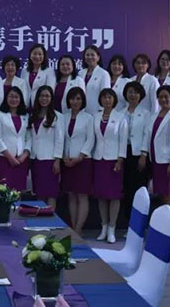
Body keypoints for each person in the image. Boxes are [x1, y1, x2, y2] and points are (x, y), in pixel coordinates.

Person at [92, 88, 128, 244]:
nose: (107, 100)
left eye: (109, 97)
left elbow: (123, 140)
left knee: (113, 196)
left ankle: (112, 228)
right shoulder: (95, 117)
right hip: (99, 159)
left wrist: (120, 159)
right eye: (104, 97)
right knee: (101, 196)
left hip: (114, 160)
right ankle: (104, 227)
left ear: (114, 100)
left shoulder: (120, 117)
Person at [140, 85, 170, 212]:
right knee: (162, 194)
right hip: (156, 161)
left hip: (169, 162)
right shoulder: (154, 115)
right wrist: (143, 154)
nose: (163, 100)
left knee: (169, 195)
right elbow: (147, 135)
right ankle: (163, 221)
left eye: (166, 97)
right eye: (160, 97)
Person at [60, 87, 94, 236]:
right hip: (67, 161)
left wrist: (80, 157)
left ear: (83, 101)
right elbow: (60, 138)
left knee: (82, 195)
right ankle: (73, 228)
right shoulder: (63, 117)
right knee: (71, 195)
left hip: (82, 161)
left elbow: (90, 139)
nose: (75, 101)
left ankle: (79, 229)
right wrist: (63, 156)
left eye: (78, 98)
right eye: (73, 98)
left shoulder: (88, 118)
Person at [27, 86, 63, 209]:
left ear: (51, 98)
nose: (44, 98)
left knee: (51, 193)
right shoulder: (33, 116)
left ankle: (51, 218)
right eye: (42, 96)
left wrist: (57, 160)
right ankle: (40, 218)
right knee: (39, 193)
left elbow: (59, 140)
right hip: (35, 159)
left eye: (47, 96)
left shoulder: (57, 116)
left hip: (50, 160)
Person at [120, 81, 151, 220]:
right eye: (130, 92)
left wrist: (144, 154)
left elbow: (146, 134)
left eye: (136, 92)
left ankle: (140, 222)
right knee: (127, 188)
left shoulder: (146, 113)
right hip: (124, 152)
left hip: (139, 154)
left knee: (139, 188)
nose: (133, 95)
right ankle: (128, 220)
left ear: (141, 95)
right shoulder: (120, 113)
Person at [0, 86, 31, 191]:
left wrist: (24, 156)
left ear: (21, 99)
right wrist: (10, 157)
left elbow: (29, 137)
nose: (14, 99)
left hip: (21, 160)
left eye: (16, 97)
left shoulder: (26, 116)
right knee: (3, 191)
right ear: (6, 98)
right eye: (11, 96)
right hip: (4, 158)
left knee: (18, 191)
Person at [78, 45, 111, 117]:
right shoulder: (80, 73)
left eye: (92, 55)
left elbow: (106, 95)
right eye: (87, 55)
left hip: (97, 113)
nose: (90, 57)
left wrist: (102, 111)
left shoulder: (103, 74)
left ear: (98, 57)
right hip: (81, 112)